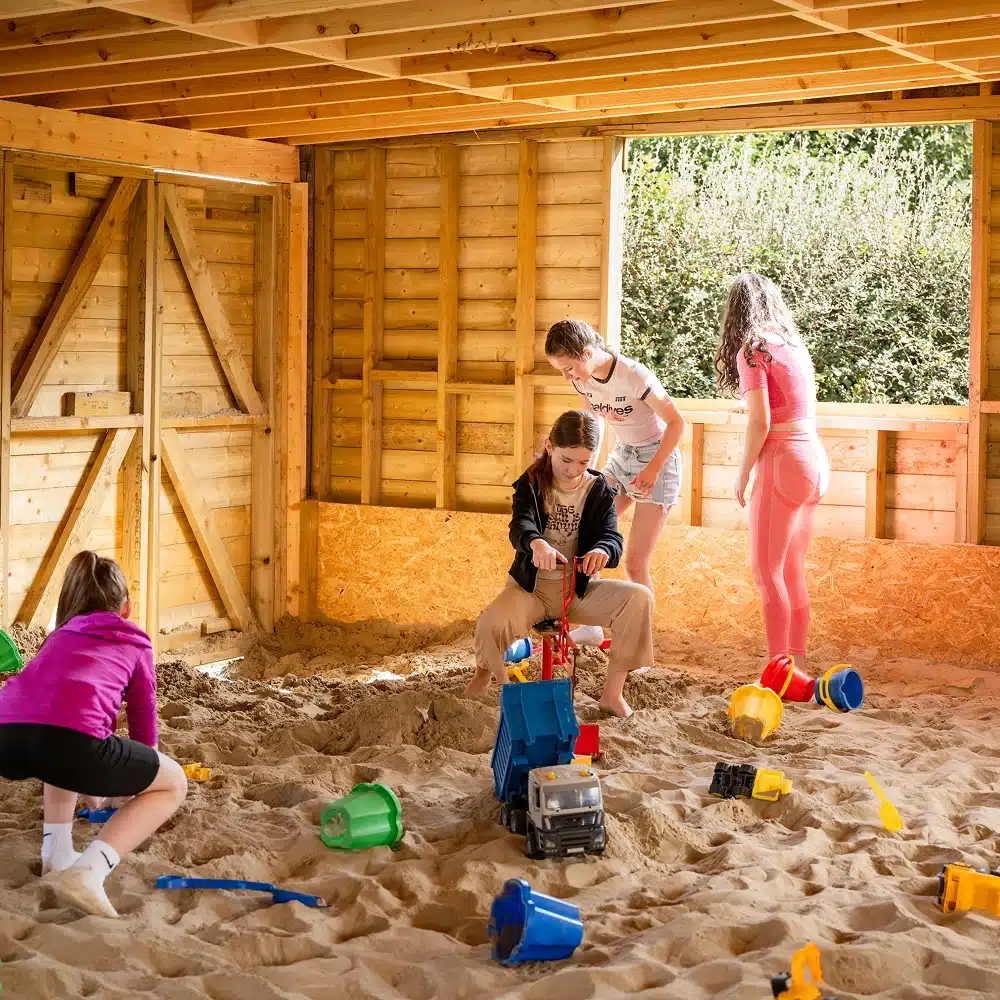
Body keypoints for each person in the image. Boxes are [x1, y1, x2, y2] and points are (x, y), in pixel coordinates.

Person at [0, 551, 188, 919]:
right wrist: (132, 784)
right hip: (67, 743)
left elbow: (53, 713)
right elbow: (142, 719)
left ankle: (56, 852)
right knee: (173, 784)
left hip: (6, 738)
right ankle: (90, 871)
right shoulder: (136, 642)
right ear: (127, 607)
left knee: (60, 737)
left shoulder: (58, 637)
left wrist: (97, 787)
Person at [464, 410, 654, 718]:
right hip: (531, 591)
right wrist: (536, 543)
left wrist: (604, 551)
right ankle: (485, 677)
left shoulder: (600, 489)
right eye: (566, 460)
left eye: (583, 462)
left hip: (576, 592)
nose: (573, 469)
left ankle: (612, 695)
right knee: (490, 625)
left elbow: (612, 538)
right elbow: (520, 526)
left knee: (639, 598)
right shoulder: (530, 483)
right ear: (550, 445)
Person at [714, 273, 830, 671]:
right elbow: (785, 405)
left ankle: (779, 670)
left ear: (736, 313)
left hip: (783, 463)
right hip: (813, 459)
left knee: (767, 574)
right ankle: (796, 664)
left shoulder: (752, 349)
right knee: (792, 569)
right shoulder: (793, 345)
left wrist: (743, 471)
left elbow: (761, 423)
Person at [544, 319, 685, 594]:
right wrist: (586, 476)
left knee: (635, 563)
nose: (567, 377)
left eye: (569, 368)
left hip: (657, 460)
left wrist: (653, 468)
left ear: (586, 352)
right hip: (622, 456)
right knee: (586, 537)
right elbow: (591, 428)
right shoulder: (583, 381)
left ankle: (641, 632)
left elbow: (677, 422)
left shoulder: (633, 376)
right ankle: (591, 624)